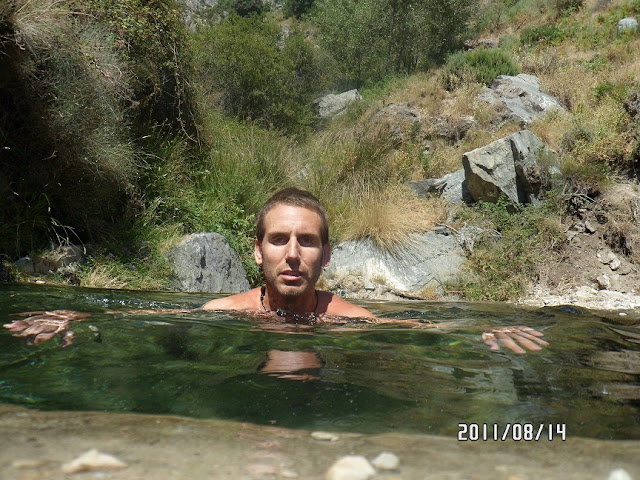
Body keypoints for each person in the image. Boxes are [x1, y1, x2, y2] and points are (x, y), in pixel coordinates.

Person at [4, 187, 548, 356]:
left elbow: (419, 328)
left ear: (327, 255)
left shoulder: (350, 319)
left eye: (307, 241)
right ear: (257, 251)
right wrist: (76, 314)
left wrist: (484, 329)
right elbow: (142, 316)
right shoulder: (225, 310)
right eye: (279, 239)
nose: (293, 254)